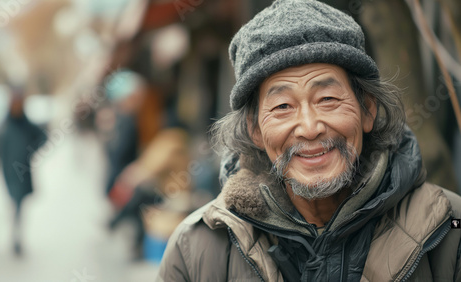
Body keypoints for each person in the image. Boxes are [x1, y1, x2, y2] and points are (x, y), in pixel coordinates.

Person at [157, 0, 461, 281]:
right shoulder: (195, 249)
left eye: (327, 98)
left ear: (368, 110)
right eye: (282, 107)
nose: (310, 127)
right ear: (255, 131)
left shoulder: (450, 229)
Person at [0, 93, 47, 255]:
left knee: (18, 204)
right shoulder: (6, 124)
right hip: (9, 171)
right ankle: (16, 237)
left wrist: (30, 152)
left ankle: (16, 238)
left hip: (22, 171)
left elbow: (42, 137)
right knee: (15, 203)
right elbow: (0, 148)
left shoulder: (25, 124)